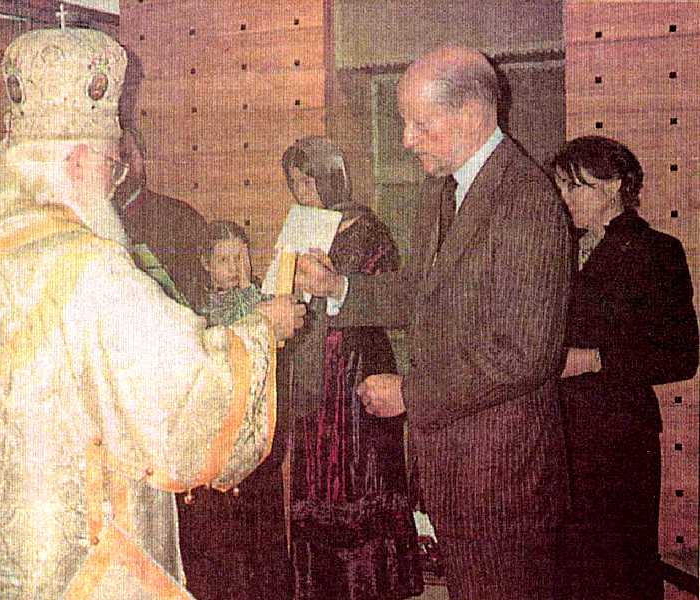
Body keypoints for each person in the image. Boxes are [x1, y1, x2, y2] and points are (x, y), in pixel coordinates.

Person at [0, 27, 304, 599]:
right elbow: (188, 393)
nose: (114, 186)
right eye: (112, 166)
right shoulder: (85, 265)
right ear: (78, 158)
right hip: (75, 550)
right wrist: (263, 330)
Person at [296, 46, 572, 600]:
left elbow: (523, 353)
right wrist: (339, 288)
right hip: (460, 467)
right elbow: (421, 291)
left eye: (419, 123)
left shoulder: (525, 199)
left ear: (471, 115)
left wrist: (410, 393)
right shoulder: (444, 190)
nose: (405, 139)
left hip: (500, 476)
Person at [552, 136, 698, 600]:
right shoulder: (558, 250)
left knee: (618, 570)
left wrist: (596, 358)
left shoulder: (657, 250)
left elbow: (681, 354)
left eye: (577, 187)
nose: (566, 199)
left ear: (615, 185)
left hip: (618, 438)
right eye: (562, 188)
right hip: (556, 433)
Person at [281, 136, 424, 600]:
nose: (304, 192)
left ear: (330, 177)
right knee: (318, 473)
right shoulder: (302, 227)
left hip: (355, 363)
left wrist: (331, 284)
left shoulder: (366, 227)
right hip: (312, 366)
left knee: (358, 472)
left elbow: (392, 299)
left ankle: (367, 584)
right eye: (295, 183)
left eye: (310, 181)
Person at [176, 220, 292, 600]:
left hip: (256, 423)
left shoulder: (259, 301)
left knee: (259, 528)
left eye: (241, 257)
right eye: (225, 259)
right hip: (220, 430)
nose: (235, 266)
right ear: (206, 264)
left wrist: (248, 291)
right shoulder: (200, 309)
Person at [115, 127, 209, 309]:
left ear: (143, 157)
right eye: (113, 160)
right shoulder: (92, 223)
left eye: (126, 156)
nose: (121, 168)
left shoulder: (181, 218)